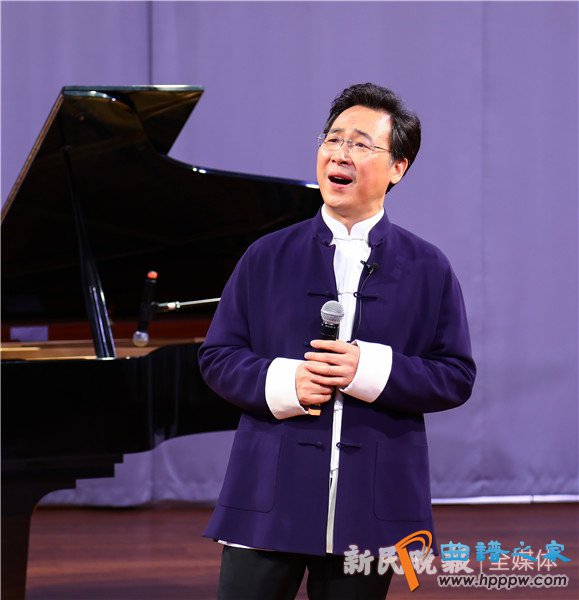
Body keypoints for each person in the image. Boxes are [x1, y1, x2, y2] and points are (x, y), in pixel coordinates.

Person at [198, 82, 476, 600]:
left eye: (361, 143)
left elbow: (455, 375)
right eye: (333, 139)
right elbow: (218, 356)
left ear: (397, 168)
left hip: (371, 504)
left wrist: (366, 370)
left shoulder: (428, 267)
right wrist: (287, 382)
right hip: (268, 496)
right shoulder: (266, 255)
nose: (340, 153)